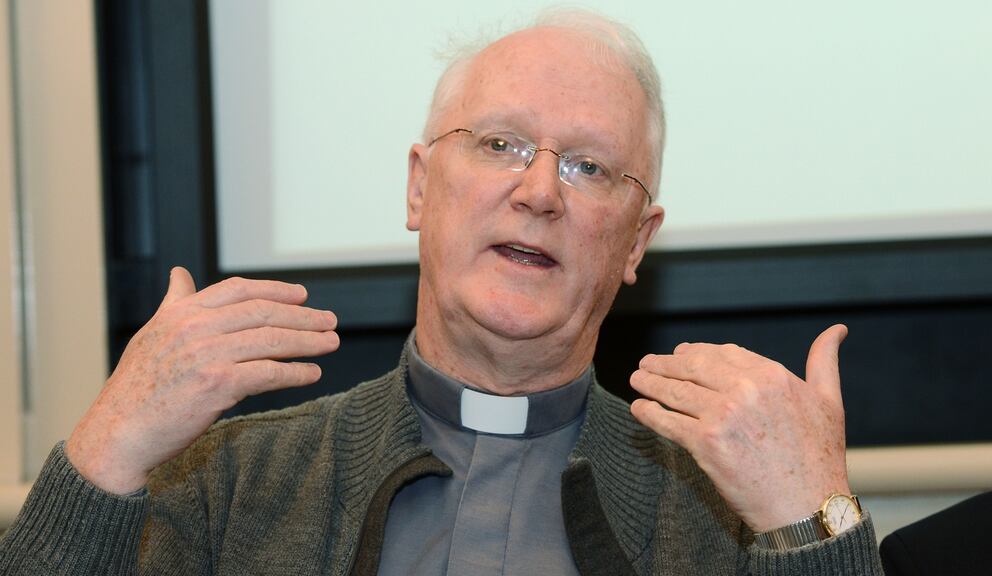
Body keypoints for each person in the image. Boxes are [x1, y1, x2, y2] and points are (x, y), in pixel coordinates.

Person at [0, 10, 883, 575]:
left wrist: (813, 529)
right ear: (420, 187)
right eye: (499, 143)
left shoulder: (727, 510)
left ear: (635, 242)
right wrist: (106, 451)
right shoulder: (227, 482)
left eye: (588, 167)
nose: (539, 192)